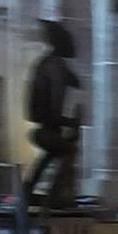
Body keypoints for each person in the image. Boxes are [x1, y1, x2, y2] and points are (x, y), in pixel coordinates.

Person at [24, 19, 82, 207]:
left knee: (52, 153)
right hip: (48, 124)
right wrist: (69, 122)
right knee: (69, 151)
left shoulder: (47, 63)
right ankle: (54, 195)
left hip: (47, 125)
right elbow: (56, 101)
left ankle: (28, 190)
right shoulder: (55, 66)